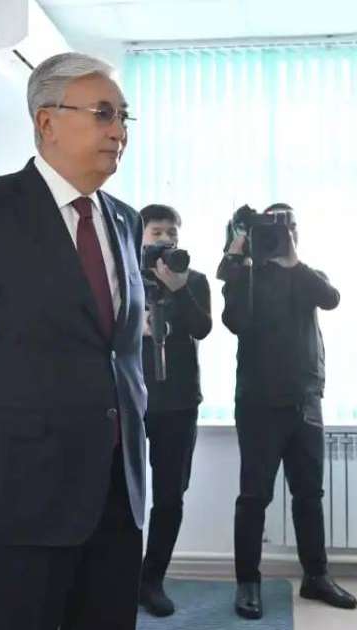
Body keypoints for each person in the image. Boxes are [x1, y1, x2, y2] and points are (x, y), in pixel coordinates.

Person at [0, 52, 148, 630]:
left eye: (123, 117)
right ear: (47, 121)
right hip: (21, 490)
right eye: (103, 113)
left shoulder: (126, 220)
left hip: (118, 491)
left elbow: (117, 351)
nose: (118, 130)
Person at [218, 203, 357, 619]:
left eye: (289, 225)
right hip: (259, 405)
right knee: (254, 497)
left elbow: (331, 299)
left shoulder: (307, 275)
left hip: (307, 401)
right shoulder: (245, 276)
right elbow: (235, 321)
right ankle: (248, 583)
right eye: (274, 226)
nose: (283, 233)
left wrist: (294, 263)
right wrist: (239, 259)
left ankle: (316, 576)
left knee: (309, 495)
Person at [135, 204, 212, 617]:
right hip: (130, 401)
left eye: (172, 233)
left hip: (179, 403)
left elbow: (203, 328)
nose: (166, 240)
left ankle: (152, 580)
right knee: (120, 496)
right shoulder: (125, 276)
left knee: (169, 497)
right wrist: (138, 325)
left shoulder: (193, 280)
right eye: (157, 232)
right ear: (140, 236)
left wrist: (178, 289)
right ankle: (118, 576)